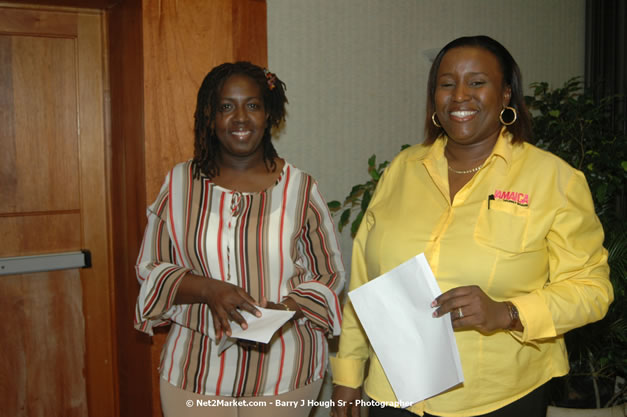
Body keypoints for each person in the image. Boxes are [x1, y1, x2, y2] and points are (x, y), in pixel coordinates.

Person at [330, 36, 613, 417]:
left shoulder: (554, 179)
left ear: (507, 94)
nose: (460, 96)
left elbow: (592, 289)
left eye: (477, 82)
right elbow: (366, 279)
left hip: (497, 397)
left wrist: (510, 313)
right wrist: (348, 373)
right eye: (447, 84)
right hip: (393, 391)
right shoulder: (403, 169)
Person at [134, 62, 345, 417]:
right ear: (211, 117)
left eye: (252, 105)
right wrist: (208, 289)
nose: (241, 118)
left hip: (285, 367)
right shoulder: (180, 183)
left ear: (269, 114)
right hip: (195, 370)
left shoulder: (301, 188)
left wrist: (288, 308)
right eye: (227, 106)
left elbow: (329, 274)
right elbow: (150, 267)